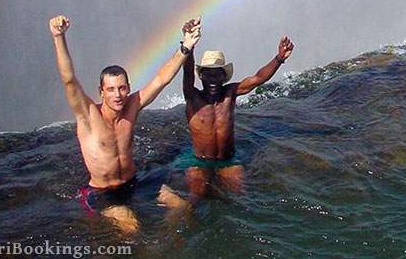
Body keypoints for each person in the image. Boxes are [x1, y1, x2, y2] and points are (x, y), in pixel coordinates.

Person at [49, 15, 201, 233]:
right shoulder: (88, 114)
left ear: (128, 88)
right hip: (102, 192)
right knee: (131, 226)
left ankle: (170, 246)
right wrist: (58, 37)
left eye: (122, 88)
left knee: (182, 207)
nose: (117, 95)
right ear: (101, 91)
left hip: (134, 183)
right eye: (111, 89)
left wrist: (185, 46)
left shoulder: (132, 105)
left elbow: (161, 79)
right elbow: (69, 79)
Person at [158, 23, 293, 210]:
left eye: (217, 75)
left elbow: (258, 79)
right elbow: (187, 71)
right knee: (194, 200)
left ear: (224, 77)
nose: (213, 80)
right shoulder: (193, 96)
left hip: (228, 161)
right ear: (201, 77)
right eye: (208, 75)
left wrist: (279, 58)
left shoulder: (231, 93)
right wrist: (189, 44)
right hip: (199, 161)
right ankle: (173, 204)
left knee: (239, 201)